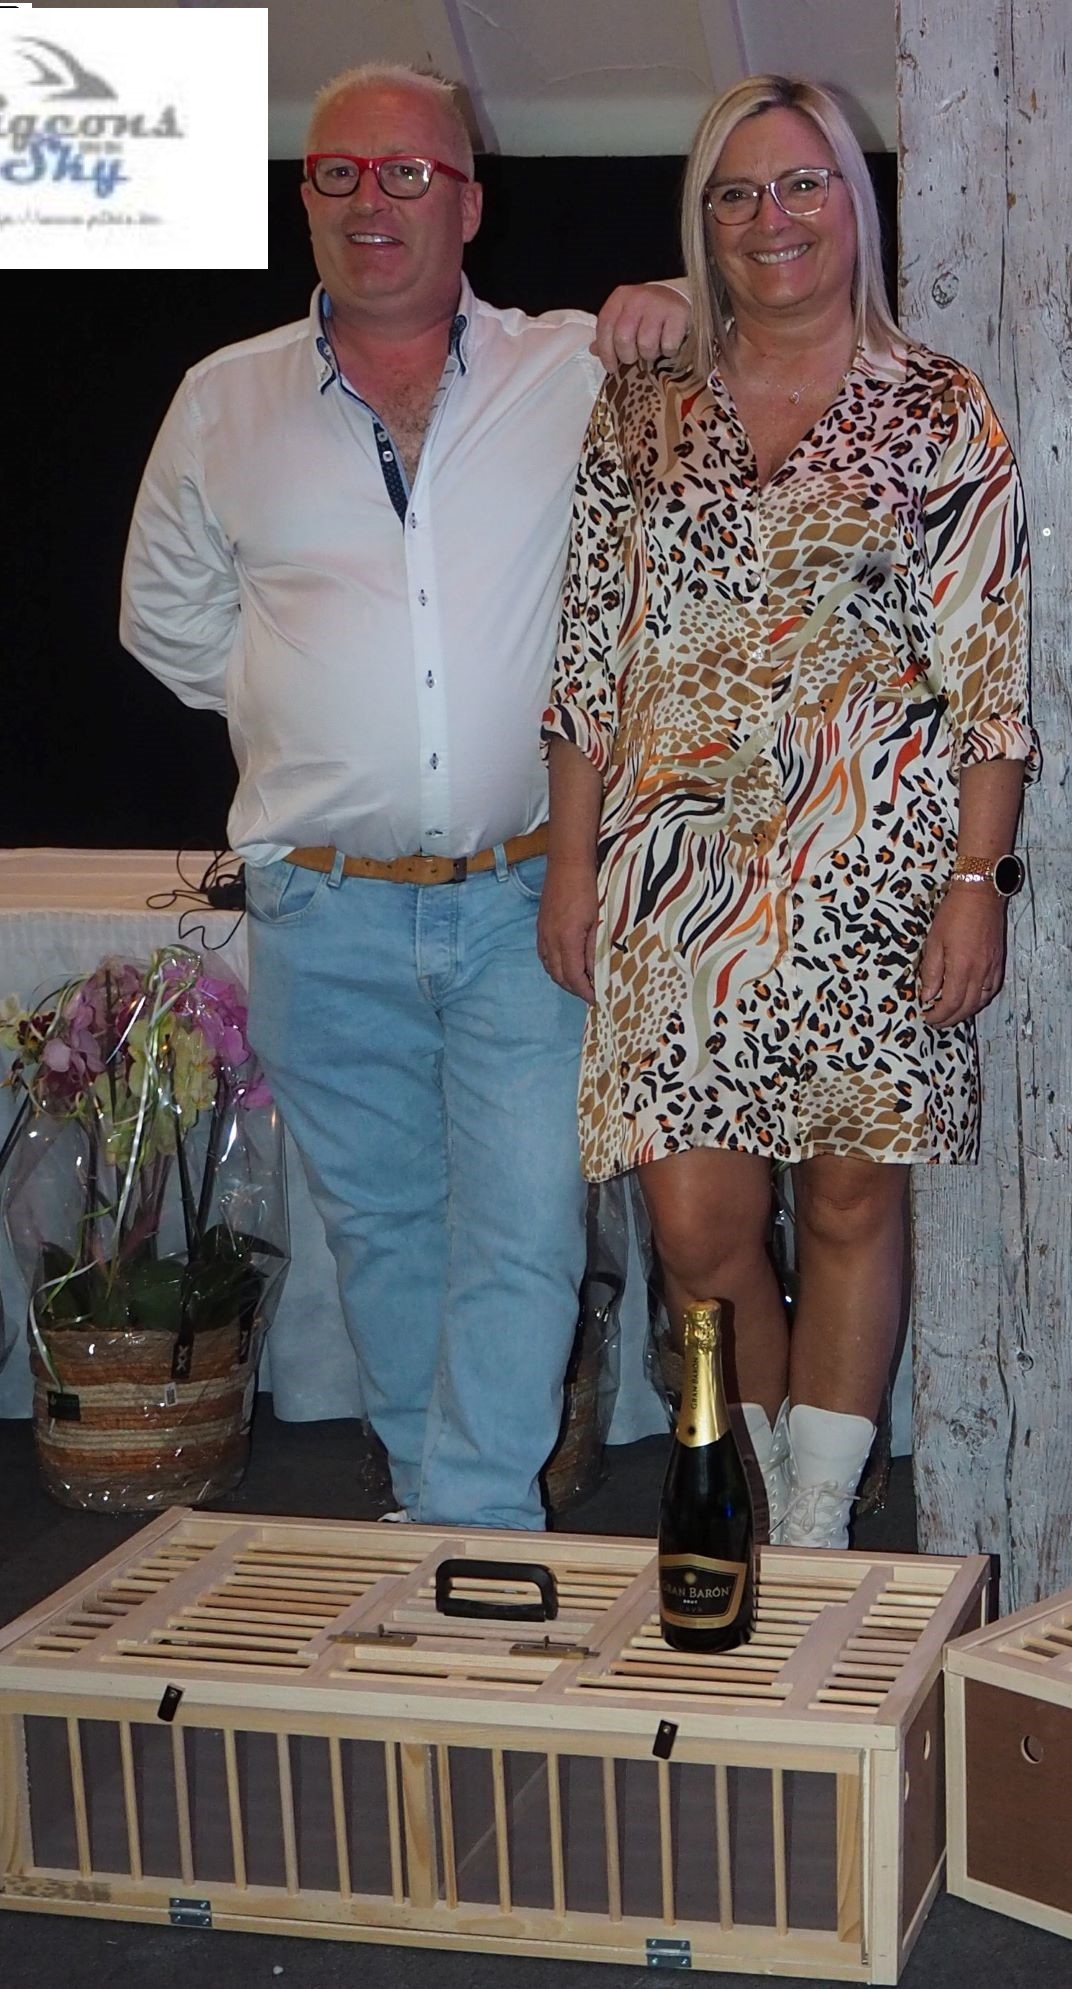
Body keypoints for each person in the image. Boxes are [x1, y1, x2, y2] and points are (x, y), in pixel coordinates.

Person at [119, 63, 690, 1531]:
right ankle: (456, 1538)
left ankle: (466, 1531)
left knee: (527, 1232)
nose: (372, 200)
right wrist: (317, 707)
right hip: (324, 907)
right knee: (381, 1235)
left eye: (409, 172)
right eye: (339, 172)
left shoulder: (572, 367)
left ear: (471, 204)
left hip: (525, 897)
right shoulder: (224, 401)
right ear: (306, 196)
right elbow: (168, 623)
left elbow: (754, 333)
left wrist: (678, 303)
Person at [539, 73, 1039, 1549]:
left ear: (853, 205)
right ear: (704, 223)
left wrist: (978, 879)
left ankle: (809, 1531)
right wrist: (571, 863)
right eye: (738, 194)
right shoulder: (644, 406)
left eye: (803, 183)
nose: (775, 218)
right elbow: (586, 656)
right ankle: (766, 1484)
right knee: (698, 1230)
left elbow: (988, 675)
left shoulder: (937, 409)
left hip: (872, 873)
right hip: (670, 880)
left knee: (847, 1202)